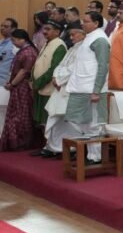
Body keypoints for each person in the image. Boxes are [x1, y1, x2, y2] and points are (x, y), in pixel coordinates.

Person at [39, 13, 110, 163]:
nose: (83, 24)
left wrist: (96, 90)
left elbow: (103, 67)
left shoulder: (100, 39)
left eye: (86, 21)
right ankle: (88, 155)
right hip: (81, 88)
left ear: (96, 23)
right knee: (83, 123)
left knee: (94, 124)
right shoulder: (89, 38)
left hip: (92, 90)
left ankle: (95, 157)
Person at [0, 30, 38, 151]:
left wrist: (12, 83)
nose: (13, 43)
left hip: (23, 87)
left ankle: (20, 142)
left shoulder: (29, 52)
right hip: (17, 86)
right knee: (16, 113)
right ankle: (15, 142)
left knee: (21, 115)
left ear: (23, 39)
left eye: (14, 40)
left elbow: (24, 72)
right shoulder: (23, 51)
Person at [32, 20, 67, 127]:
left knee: (47, 123)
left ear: (57, 32)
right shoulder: (48, 43)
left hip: (49, 91)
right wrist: (32, 79)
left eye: (48, 29)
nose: (44, 31)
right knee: (39, 123)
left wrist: (37, 83)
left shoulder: (59, 46)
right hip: (40, 89)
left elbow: (54, 69)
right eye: (44, 29)